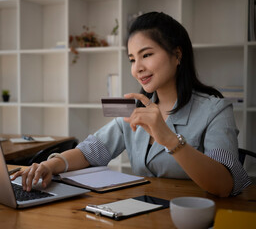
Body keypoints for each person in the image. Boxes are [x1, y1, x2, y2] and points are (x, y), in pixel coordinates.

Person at [13, 12, 251, 197]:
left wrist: (167, 138)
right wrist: (49, 165)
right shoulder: (133, 108)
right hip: (142, 212)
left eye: (146, 55)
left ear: (177, 55)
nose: (137, 68)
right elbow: (89, 152)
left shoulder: (215, 110)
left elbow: (224, 184)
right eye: (132, 59)